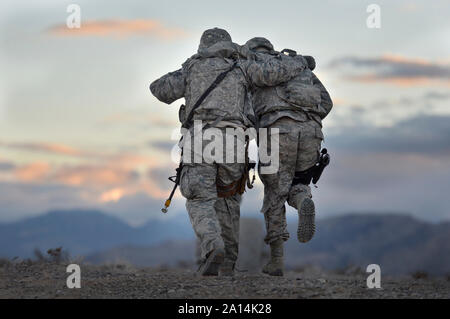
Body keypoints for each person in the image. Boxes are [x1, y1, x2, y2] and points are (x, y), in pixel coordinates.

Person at [150, 29, 307, 276]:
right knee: (229, 201)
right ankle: (227, 265)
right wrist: (301, 61)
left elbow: (158, 89)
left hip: (201, 138)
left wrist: (189, 67)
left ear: (203, 46)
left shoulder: (192, 68)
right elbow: (275, 73)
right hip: (234, 142)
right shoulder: (241, 68)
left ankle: (213, 246)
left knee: (200, 199)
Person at [245, 37, 333, 276]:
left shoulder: (250, 65)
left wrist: (259, 126)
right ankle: (303, 201)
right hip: (312, 131)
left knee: (274, 192)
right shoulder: (298, 65)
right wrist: (306, 119)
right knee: (299, 180)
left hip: (277, 131)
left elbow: (244, 109)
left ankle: (277, 260)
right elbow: (326, 102)